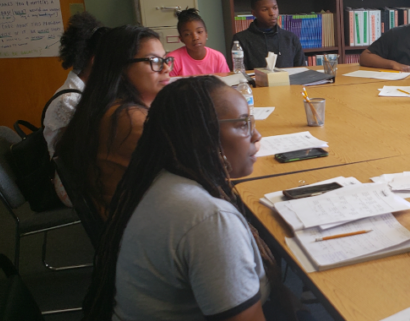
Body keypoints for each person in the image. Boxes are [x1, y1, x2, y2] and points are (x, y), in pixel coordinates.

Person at [81, 76, 305, 321]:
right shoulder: (209, 219)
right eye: (243, 125)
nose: (256, 135)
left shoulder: (160, 178)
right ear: (202, 135)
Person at [55, 25, 173, 219]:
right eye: (154, 61)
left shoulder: (108, 106)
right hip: (138, 229)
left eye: (166, 59)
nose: (166, 67)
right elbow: (191, 169)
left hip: (134, 218)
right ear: (121, 67)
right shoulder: (128, 119)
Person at [44, 12, 108, 206]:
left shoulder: (88, 91)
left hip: (85, 170)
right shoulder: (69, 101)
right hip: (71, 183)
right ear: (95, 60)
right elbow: (83, 157)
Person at [232, 0, 306, 70]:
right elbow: (240, 73)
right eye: (265, 9)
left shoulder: (291, 38)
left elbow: (301, 71)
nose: (272, 13)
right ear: (254, 13)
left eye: (275, 8)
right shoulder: (241, 39)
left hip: (289, 83)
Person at [166, 8, 230, 77]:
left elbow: (225, 84)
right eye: (187, 34)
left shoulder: (218, 58)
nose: (195, 37)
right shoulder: (172, 60)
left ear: (206, 34)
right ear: (182, 39)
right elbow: (169, 87)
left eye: (199, 32)